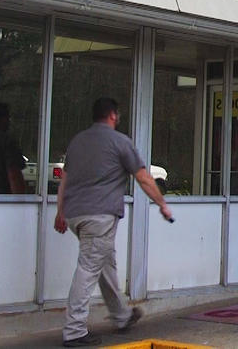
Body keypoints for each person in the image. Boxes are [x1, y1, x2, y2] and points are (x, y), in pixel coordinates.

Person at [55, 97, 172, 347]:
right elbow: (143, 177)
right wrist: (161, 203)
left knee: (105, 262)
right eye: (117, 115)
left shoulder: (78, 142)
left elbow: (65, 179)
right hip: (99, 216)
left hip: (76, 215)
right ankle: (74, 331)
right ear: (112, 116)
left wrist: (60, 212)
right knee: (88, 269)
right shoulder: (120, 142)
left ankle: (122, 316)